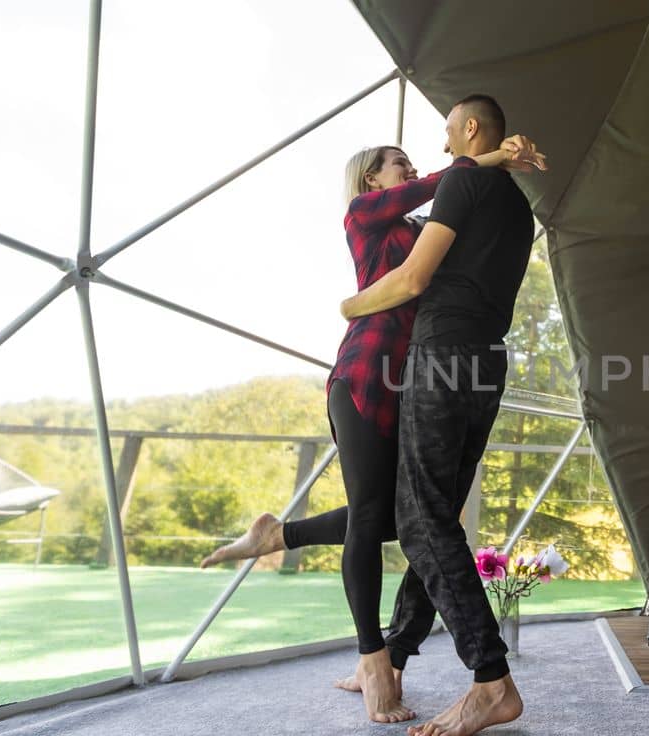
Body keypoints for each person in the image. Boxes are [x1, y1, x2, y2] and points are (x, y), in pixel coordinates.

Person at [199, 135, 543, 725]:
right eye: (397, 164)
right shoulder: (363, 214)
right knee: (367, 516)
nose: (409, 169)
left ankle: (277, 535)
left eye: (409, 163)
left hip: (409, 382)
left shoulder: (419, 230)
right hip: (362, 376)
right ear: (371, 182)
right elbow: (442, 183)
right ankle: (373, 662)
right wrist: (491, 158)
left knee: (395, 518)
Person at [341, 93, 534, 736]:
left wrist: (350, 306)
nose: (442, 137)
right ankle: (395, 653)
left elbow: (413, 279)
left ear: (470, 128)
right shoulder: (518, 204)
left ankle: (490, 680)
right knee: (435, 515)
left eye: (449, 126)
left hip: (444, 353)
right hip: (488, 362)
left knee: (419, 519)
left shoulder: (461, 182)